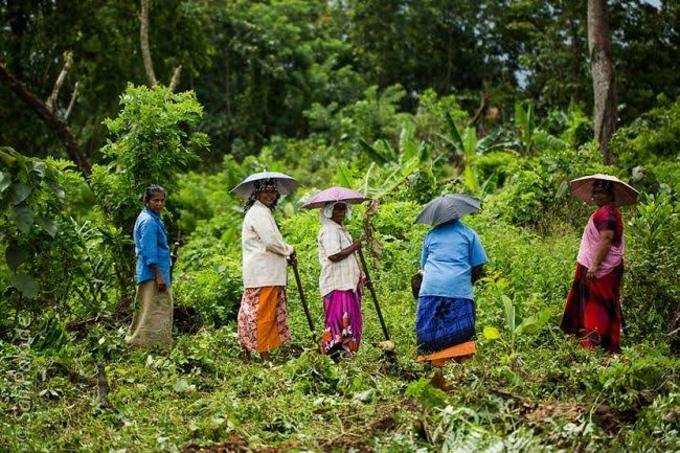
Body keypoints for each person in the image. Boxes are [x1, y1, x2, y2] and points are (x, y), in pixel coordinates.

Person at [561, 179, 625, 353]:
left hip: (601, 270)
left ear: (610, 194)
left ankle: (594, 346)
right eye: (595, 192)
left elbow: (606, 239)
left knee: (597, 305)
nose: (597, 196)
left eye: (601, 192)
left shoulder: (608, 214)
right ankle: (600, 343)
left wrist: (595, 266)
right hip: (597, 267)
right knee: (594, 303)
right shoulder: (606, 212)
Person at [416, 217, 487, 365]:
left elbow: (423, 266)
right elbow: (479, 265)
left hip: (431, 288)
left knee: (426, 333)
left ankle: (430, 359)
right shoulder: (469, 234)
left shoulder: (431, 235)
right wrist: (467, 283)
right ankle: (456, 359)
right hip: (459, 290)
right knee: (462, 331)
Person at [238, 179, 294, 360]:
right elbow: (271, 242)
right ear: (256, 193)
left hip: (265, 273)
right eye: (265, 191)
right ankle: (264, 356)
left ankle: (253, 351)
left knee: (257, 311)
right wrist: (289, 250)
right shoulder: (258, 213)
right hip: (264, 274)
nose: (270, 195)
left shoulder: (262, 212)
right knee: (263, 314)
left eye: (272, 191)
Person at [127, 184, 174, 350]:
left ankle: (148, 345)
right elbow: (149, 253)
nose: (159, 204)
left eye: (162, 200)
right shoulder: (148, 222)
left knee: (149, 309)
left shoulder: (153, 217)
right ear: (147, 201)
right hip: (153, 274)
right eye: (155, 200)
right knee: (156, 309)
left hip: (154, 272)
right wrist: (159, 276)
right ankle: (150, 346)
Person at [317, 202, 363, 359]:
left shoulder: (341, 230)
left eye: (343, 208)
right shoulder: (330, 230)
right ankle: (335, 358)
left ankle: (347, 359)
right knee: (339, 324)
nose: (341, 212)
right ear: (329, 211)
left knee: (349, 322)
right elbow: (334, 255)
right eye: (337, 208)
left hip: (347, 284)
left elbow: (349, 260)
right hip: (337, 284)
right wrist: (354, 247)